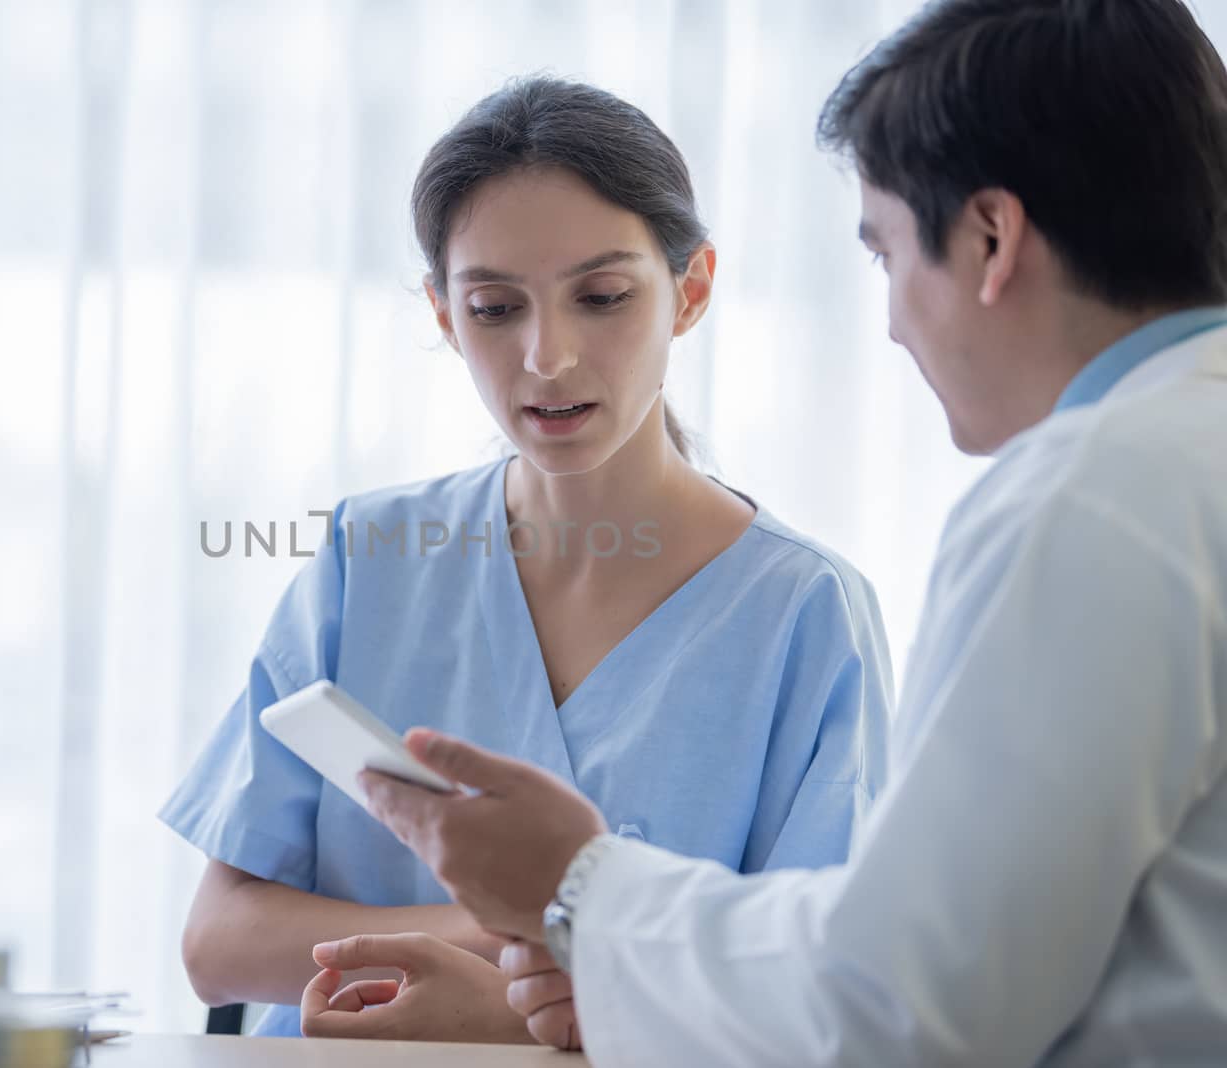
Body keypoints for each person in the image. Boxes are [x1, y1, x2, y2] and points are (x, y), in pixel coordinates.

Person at [331, 1, 1227, 1063]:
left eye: (885, 251)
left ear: (989, 239)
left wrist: (581, 890)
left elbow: (903, 1005)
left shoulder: (1088, 498)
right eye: (493, 308)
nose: (892, 319)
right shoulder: (1172, 462)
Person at [160, 77, 895, 1041]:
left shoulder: (804, 614)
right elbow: (219, 941)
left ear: (692, 289)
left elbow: (819, 1002)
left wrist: (519, 1009)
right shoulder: (367, 561)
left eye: (601, 297)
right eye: (496, 309)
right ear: (441, 313)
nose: (547, 357)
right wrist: (543, 939)